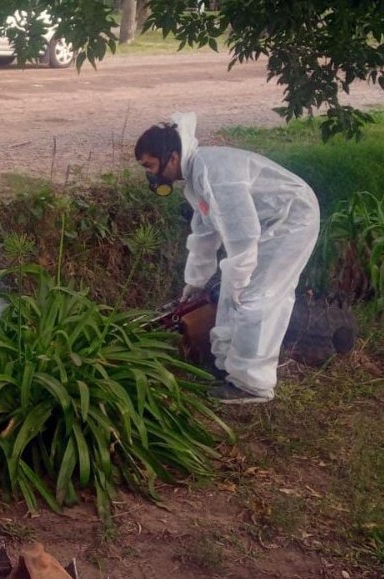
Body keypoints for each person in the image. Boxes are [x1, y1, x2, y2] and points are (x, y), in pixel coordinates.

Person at [135, 112, 320, 404]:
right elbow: (204, 237)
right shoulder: (197, 178)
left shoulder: (213, 173)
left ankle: (252, 385)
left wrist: (237, 285)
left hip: (291, 220)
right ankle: (228, 367)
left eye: (150, 166)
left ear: (171, 158)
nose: (150, 175)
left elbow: (243, 238)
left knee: (255, 299)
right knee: (234, 295)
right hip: (269, 223)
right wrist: (194, 284)